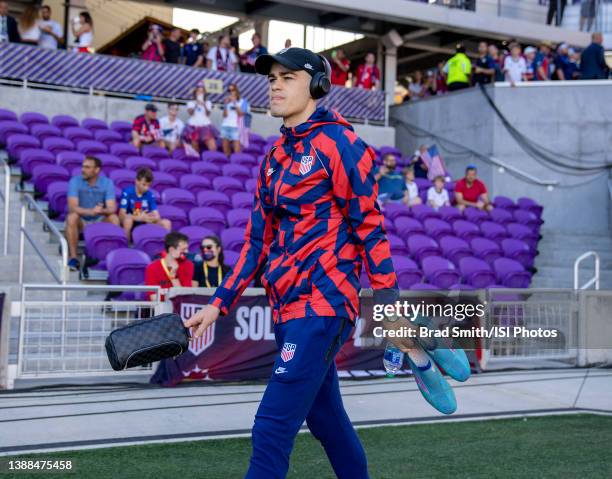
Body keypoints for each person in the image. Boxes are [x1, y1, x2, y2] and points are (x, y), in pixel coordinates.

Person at [184, 46, 406, 479]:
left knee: (271, 425)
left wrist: (388, 304)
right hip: (287, 307)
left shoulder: (341, 144)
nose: (276, 85)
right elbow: (255, 242)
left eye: (288, 77)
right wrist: (217, 303)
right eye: (272, 78)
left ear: (317, 85)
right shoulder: (273, 160)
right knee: (328, 423)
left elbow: (370, 227)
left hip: (323, 305)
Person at [65, 157, 119, 271]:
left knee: (114, 218)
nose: (83, 170)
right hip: (82, 219)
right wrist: (91, 211)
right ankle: (74, 257)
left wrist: (101, 211)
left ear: (97, 170)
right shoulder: (75, 181)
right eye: (83, 166)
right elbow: (72, 207)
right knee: (72, 217)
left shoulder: (107, 183)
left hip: (99, 219)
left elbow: (112, 207)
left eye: (87, 167)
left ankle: (110, 258)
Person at [119, 167, 171, 242]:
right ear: (136, 181)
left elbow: (157, 215)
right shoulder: (127, 192)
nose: (146, 188)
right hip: (132, 221)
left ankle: (166, 247)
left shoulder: (150, 195)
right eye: (144, 185)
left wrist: (151, 218)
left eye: (148, 185)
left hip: (145, 221)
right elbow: (121, 215)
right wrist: (137, 218)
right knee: (128, 221)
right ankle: (127, 246)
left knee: (166, 223)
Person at [144, 232, 196, 301]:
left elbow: (185, 296)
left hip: (179, 308)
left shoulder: (188, 265)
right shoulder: (152, 267)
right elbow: (154, 298)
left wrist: (173, 277)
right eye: (183, 249)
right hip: (159, 309)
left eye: (187, 249)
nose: (187, 252)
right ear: (171, 249)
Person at [183, 81, 216, 154]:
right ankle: (198, 162)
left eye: (202, 91)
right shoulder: (191, 102)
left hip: (205, 126)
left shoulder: (208, 102)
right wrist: (196, 104)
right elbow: (190, 113)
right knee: (195, 146)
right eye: (199, 91)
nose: (200, 93)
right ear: (195, 92)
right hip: (193, 126)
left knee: (213, 147)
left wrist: (204, 104)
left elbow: (208, 114)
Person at [221, 83, 245, 157]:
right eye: (229, 90)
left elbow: (241, 114)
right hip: (225, 126)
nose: (231, 92)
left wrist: (234, 103)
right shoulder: (227, 101)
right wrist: (225, 105)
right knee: (225, 150)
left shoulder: (241, 101)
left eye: (232, 90)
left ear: (236, 91)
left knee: (237, 150)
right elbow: (224, 115)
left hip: (235, 127)